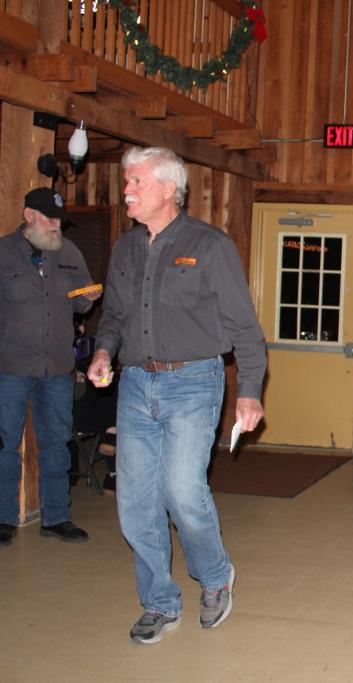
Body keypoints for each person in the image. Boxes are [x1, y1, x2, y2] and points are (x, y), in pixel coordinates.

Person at [87, 146, 267, 645]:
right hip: (135, 383)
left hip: (194, 382)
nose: (127, 190)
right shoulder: (125, 249)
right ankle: (159, 602)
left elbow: (244, 327)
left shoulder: (209, 245)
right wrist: (102, 353)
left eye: (137, 182)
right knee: (135, 501)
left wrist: (249, 393)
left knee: (183, 491)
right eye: (127, 181)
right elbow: (114, 317)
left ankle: (215, 577)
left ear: (169, 189)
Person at [1, 188, 101, 548]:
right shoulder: (3, 253)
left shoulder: (69, 252)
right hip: (9, 367)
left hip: (57, 366)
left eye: (60, 219)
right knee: (4, 444)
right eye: (50, 218)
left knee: (57, 443)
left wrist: (88, 300)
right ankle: (3, 518)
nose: (57, 225)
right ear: (29, 216)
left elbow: (81, 306)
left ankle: (57, 517)